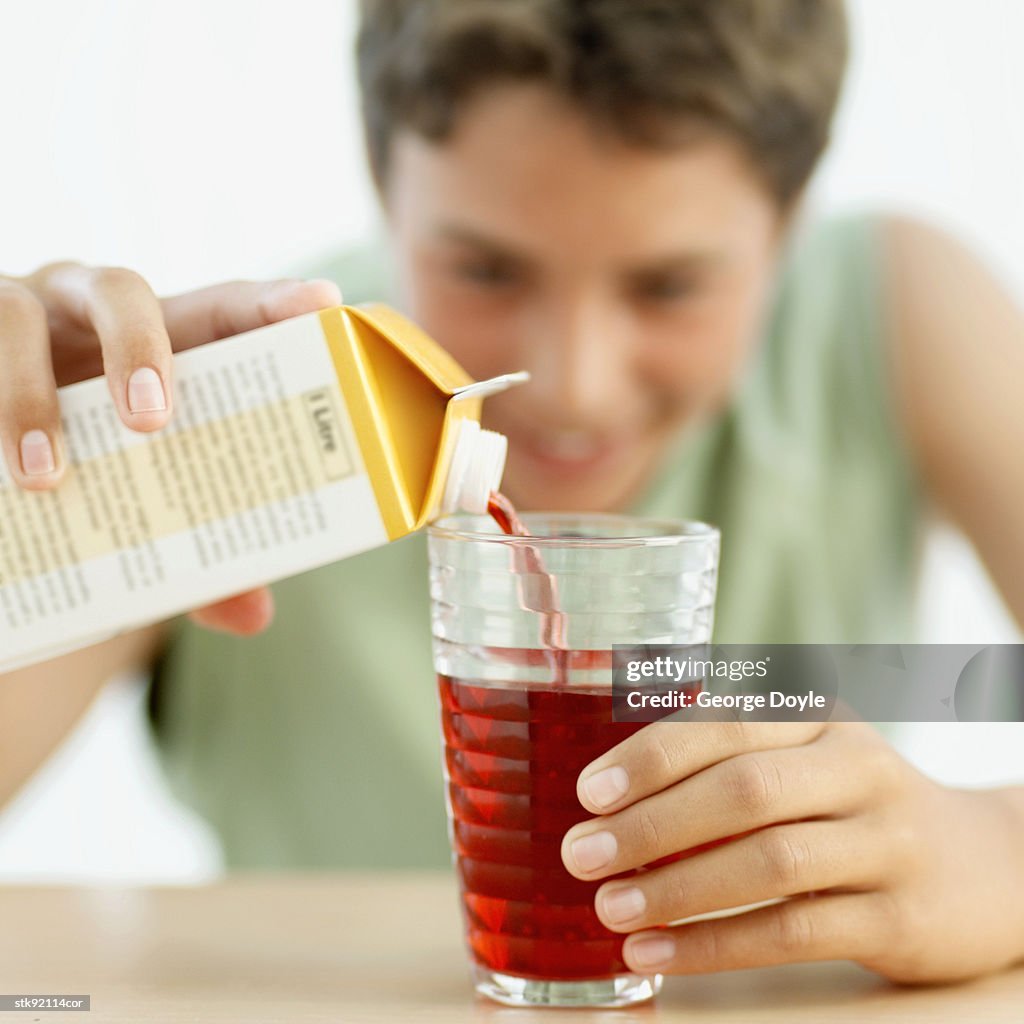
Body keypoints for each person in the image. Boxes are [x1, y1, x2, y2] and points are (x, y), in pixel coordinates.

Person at [1, 0, 1023, 986]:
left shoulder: (902, 321)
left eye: (668, 285)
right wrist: (28, 505)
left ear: (791, 222)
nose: (573, 383)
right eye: (485, 269)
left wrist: (1000, 850)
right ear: (381, 185)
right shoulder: (214, 424)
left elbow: (984, 716)